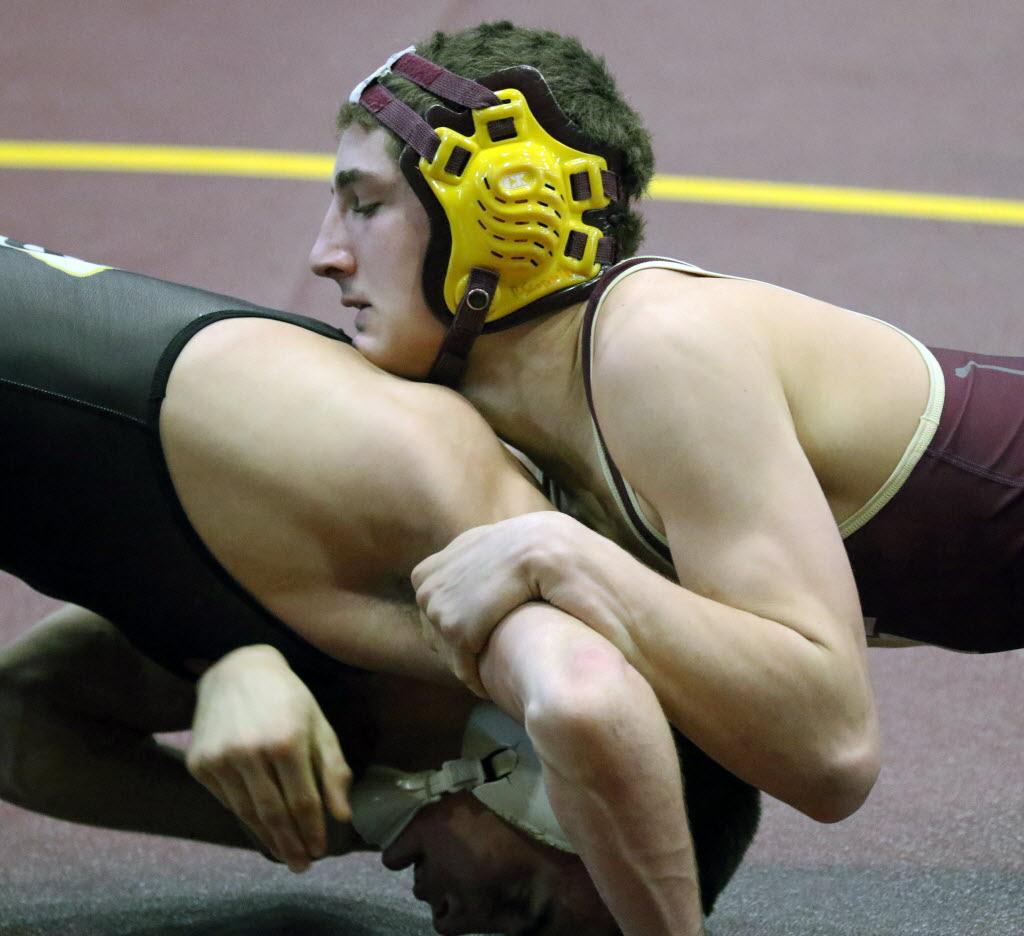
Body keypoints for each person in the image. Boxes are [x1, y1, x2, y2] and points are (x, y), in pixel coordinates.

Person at [310, 20, 1023, 828]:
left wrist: (561, 556)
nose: (324, 256)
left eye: (364, 206)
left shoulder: (659, 347)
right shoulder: (533, 420)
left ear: (504, 201)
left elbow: (834, 751)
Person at [0, 235, 759, 935]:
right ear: (537, 772)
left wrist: (305, 801)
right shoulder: (445, 520)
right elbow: (591, 702)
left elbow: (19, 718)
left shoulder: (376, 680)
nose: (458, 928)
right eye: (519, 908)